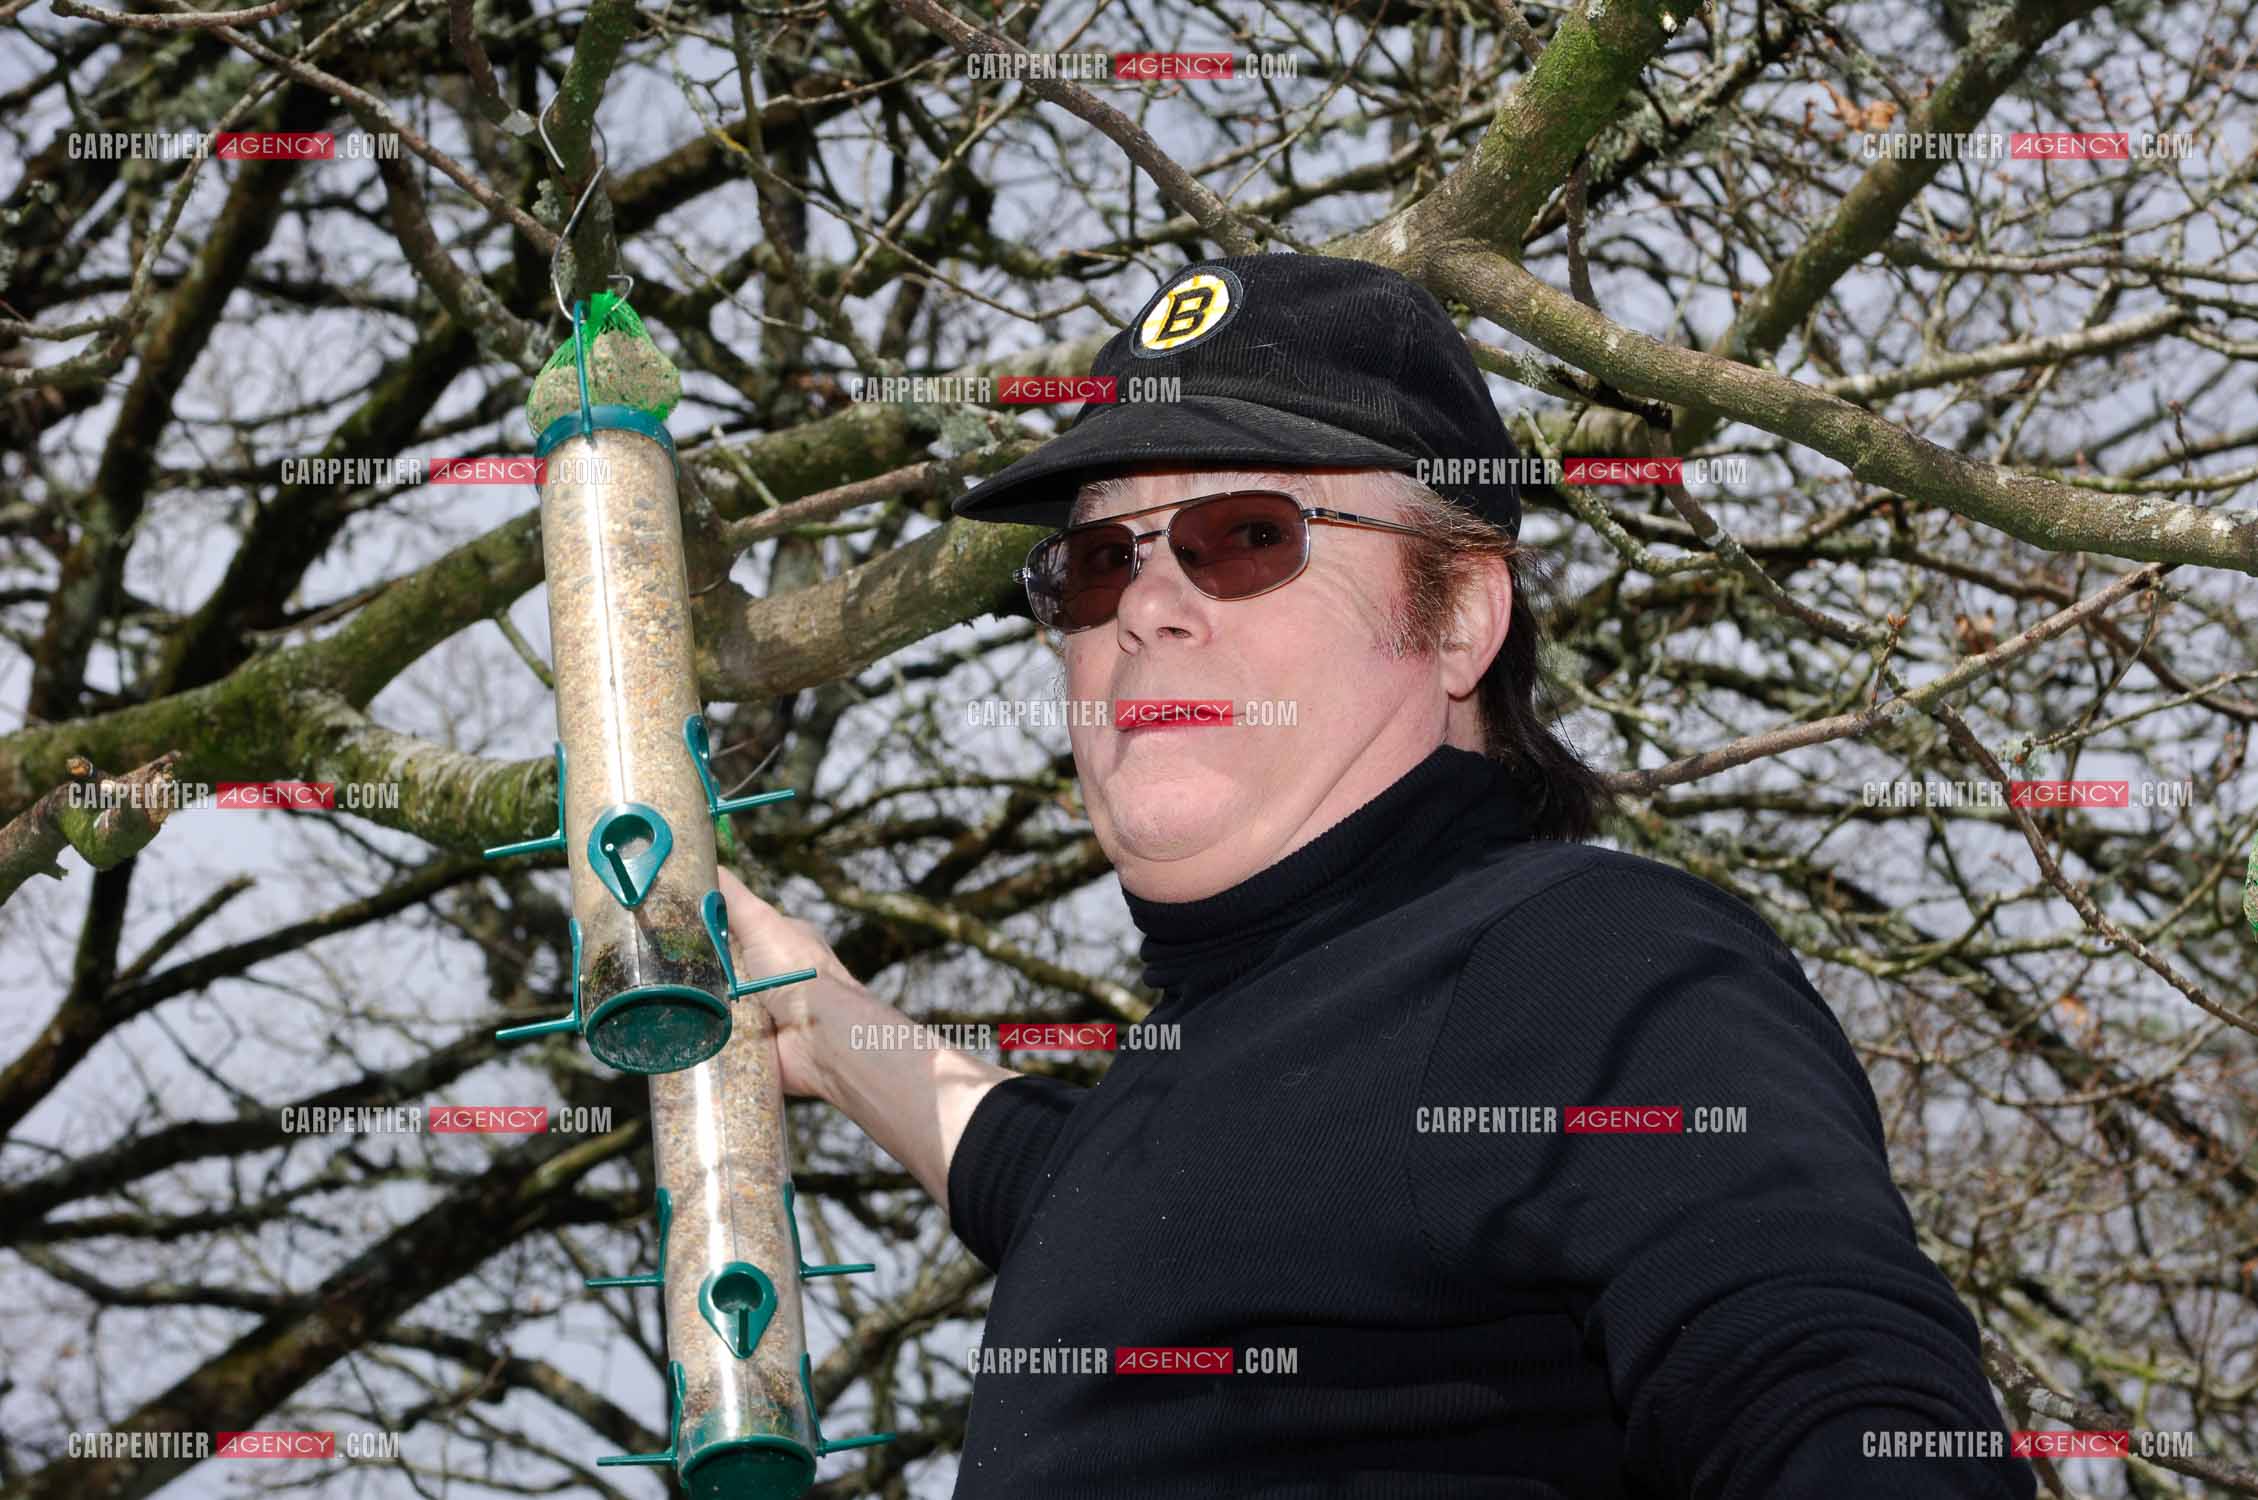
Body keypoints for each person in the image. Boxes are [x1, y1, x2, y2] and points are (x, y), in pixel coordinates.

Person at [717, 253, 2036, 1498]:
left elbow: (1832, 1391)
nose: (1144, 603)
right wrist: (822, 1026)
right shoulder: (1176, 1109)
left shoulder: (1581, 955)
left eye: (1242, 535)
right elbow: (1065, 1177)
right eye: (1098, 557)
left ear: (1458, 614)